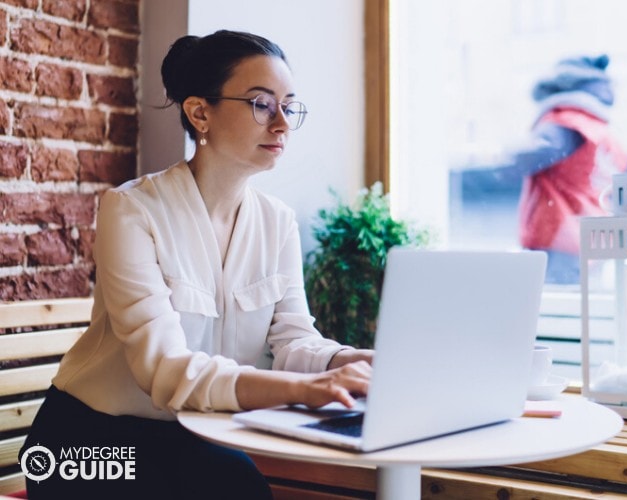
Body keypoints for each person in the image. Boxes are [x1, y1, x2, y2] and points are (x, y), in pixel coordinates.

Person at [20, 30, 373, 499]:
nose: (282, 123)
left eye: (289, 105)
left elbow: (292, 340)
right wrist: (305, 390)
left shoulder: (277, 222)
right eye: (262, 104)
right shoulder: (132, 210)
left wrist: (351, 360)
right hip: (85, 441)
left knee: (240, 486)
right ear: (199, 112)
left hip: (191, 434)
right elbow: (164, 370)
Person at [498, 54, 627, 283]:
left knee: (550, 306)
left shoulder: (564, 124)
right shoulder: (605, 135)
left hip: (559, 234)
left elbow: (527, 158)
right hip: (596, 239)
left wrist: (497, 160)